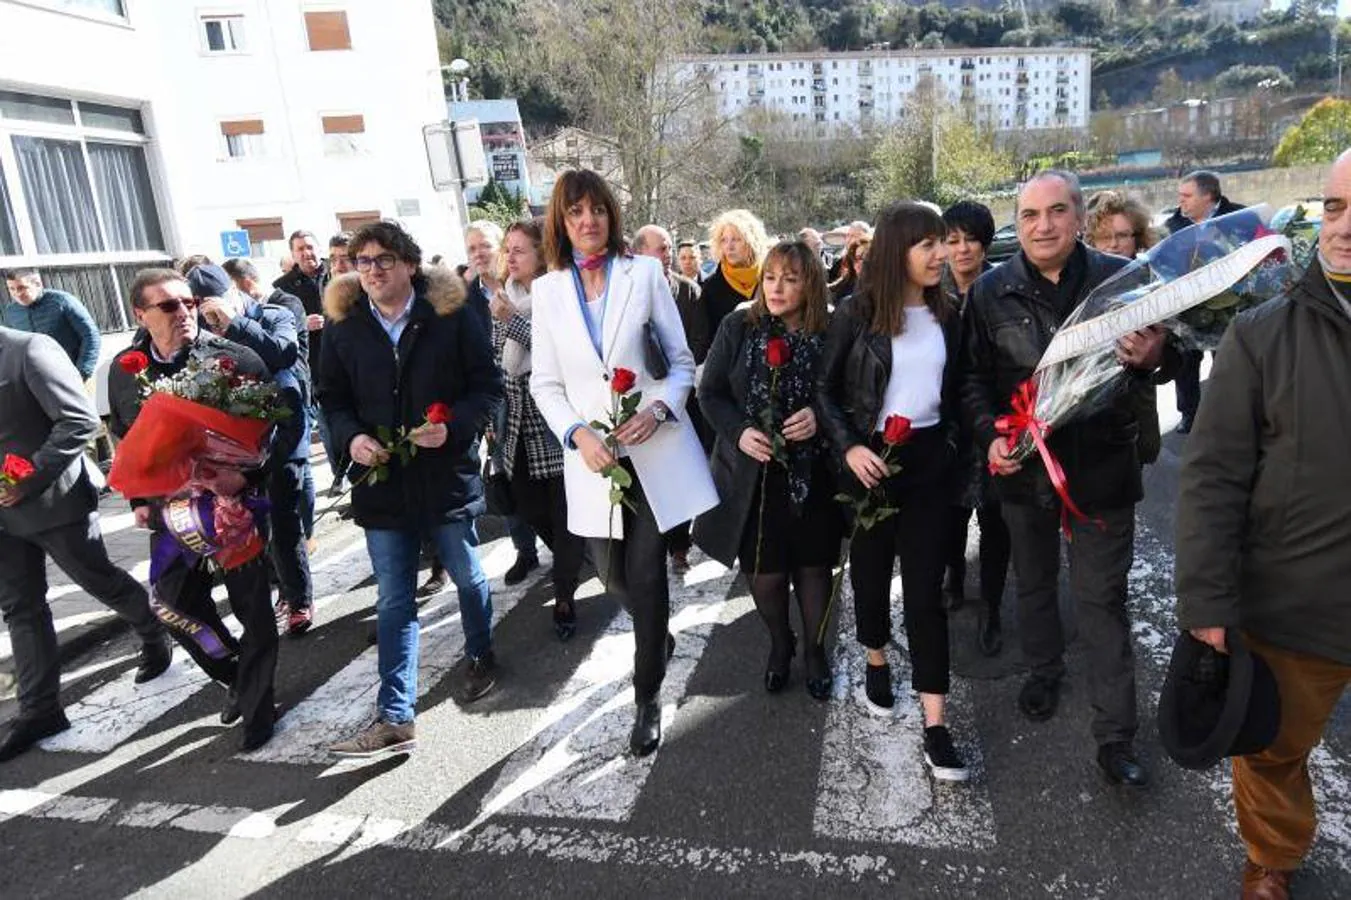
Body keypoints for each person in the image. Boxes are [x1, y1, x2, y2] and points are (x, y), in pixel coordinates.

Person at [1176, 148, 1351, 900]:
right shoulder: (1261, 334)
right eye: (1334, 207)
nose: (1341, 227)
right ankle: (1271, 857)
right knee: (1275, 750)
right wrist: (1207, 605)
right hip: (1294, 607)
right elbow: (1211, 479)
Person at [962, 170, 1173, 788]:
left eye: (1056, 212)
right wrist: (990, 435)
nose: (1043, 226)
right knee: (1033, 582)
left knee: (1102, 599)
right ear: (1018, 224)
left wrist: (1156, 359)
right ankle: (1044, 668)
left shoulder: (1122, 278)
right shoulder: (991, 293)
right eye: (1029, 216)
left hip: (1102, 466)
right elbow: (971, 380)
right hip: (1026, 470)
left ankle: (1116, 737)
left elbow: (1176, 353)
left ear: (1079, 217)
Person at [530, 170, 717, 757]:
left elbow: (683, 363)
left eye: (598, 210)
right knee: (610, 576)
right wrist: (577, 434)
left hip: (652, 453)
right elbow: (546, 384)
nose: (588, 222)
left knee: (646, 574)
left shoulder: (643, 275)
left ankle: (646, 696)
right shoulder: (547, 290)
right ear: (561, 222)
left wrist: (659, 410)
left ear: (611, 216)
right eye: (576, 212)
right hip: (594, 463)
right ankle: (653, 634)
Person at [321, 221, 502, 758]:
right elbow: (330, 397)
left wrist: (456, 427)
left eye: (384, 260)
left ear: (408, 264)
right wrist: (350, 438)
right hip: (383, 485)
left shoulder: (450, 315)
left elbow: (486, 385)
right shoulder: (346, 327)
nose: (373, 270)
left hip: (445, 475)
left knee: (468, 577)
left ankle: (480, 652)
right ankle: (396, 716)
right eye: (364, 262)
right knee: (394, 598)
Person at [817, 202, 969, 782]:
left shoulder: (948, 312)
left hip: (929, 462)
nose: (941, 255)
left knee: (927, 590)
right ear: (895, 250)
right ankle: (876, 656)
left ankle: (936, 723)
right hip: (870, 459)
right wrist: (851, 447)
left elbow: (956, 394)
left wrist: (950, 446)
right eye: (927, 244)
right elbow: (825, 391)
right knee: (872, 570)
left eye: (944, 243)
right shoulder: (855, 313)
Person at [107, 269, 281, 752]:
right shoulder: (126, 370)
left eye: (189, 301)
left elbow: (275, 428)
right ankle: (234, 674)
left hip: (233, 504)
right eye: (168, 306)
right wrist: (139, 499)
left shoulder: (233, 357)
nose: (184, 312)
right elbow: (125, 440)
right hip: (173, 511)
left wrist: (245, 476)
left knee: (253, 609)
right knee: (174, 607)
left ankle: (258, 706)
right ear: (140, 314)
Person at [0, 326, 172, 761]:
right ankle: (40, 710)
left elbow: (77, 420)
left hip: (52, 501)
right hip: (3, 519)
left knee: (98, 580)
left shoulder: (28, 350)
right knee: (21, 607)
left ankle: (153, 629)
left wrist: (28, 478)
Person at [694, 241, 839, 700]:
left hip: (814, 470)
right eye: (771, 276)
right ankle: (781, 643)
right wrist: (738, 431)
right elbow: (710, 391)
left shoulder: (831, 328)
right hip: (753, 474)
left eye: (791, 278)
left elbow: (852, 389)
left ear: (810, 283)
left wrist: (819, 415)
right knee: (765, 572)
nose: (777, 287)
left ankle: (815, 649)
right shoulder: (739, 324)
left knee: (814, 567)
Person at [189, 264, 313, 636]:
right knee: (250, 529)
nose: (207, 315)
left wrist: (234, 325)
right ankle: (275, 593)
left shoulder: (273, 314)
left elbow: (283, 354)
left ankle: (299, 600)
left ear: (232, 294)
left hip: (284, 437)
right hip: (235, 449)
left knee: (285, 524)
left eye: (211, 305)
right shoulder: (201, 333)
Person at [489, 220, 586, 640]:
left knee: (564, 511)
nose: (509, 257)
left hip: (552, 411)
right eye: (506, 249)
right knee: (529, 507)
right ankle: (572, 559)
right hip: (514, 417)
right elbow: (497, 357)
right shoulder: (503, 298)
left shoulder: (557, 294)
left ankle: (564, 592)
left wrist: (510, 321)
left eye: (519, 250)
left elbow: (556, 349)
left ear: (541, 255)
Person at [939, 200, 1011, 657]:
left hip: (996, 421)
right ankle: (953, 576)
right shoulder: (929, 293)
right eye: (952, 240)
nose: (962, 249)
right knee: (948, 517)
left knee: (995, 519)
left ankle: (993, 607)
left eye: (971, 240)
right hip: (945, 426)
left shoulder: (1002, 290)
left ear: (985, 245)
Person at [466, 219, 540, 587]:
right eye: (471, 248)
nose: (478, 254)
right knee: (504, 476)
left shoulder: (526, 289)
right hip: (493, 397)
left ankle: (573, 548)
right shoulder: (462, 296)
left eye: (485, 246)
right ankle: (525, 550)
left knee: (548, 480)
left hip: (535, 395)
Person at [634, 224, 709, 572]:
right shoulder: (629, 289)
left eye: (668, 248)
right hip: (639, 397)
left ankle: (680, 545)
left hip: (681, 395)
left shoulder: (688, 290)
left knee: (678, 470)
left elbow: (697, 342)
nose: (667, 255)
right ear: (639, 253)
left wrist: (675, 381)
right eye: (660, 249)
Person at [1085, 191, 1166, 468]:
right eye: (1104, 237)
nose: (1113, 245)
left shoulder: (1155, 283)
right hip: (1084, 423)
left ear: (1139, 238)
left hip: (1133, 417)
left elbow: (1177, 358)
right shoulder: (1077, 284)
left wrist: (1155, 358)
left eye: (1122, 235)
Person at [1165, 171, 1245, 435]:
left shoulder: (1241, 217)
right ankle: (1189, 414)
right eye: (1179, 197)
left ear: (1208, 195)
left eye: (1187, 196)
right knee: (1185, 364)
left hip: (1231, 308)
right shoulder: (1173, 225)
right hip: (1188, 309)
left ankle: (1230, 415)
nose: (1181, 203)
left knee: (1228, 364)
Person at [275, 231, 338, 493]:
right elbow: (279, 323)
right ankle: (339, 474)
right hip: (311, 364)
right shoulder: (283, 286)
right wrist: (303, 323)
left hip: (343, 356)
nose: (306, 253)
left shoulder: (336, 272)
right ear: (293, 253)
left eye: (310, 247)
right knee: (325, 426)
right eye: (299, 249)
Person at [2, 269, 101, 382]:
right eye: (12, 289)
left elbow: (91, 335)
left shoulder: (62, 301)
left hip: (73, 374)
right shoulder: (11, 312)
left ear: (38, 284)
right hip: (39, 380)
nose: (17, 294)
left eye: (22, 288)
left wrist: (82, 372)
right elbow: (11, 346)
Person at [702, 209, 773, 341]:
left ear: (752, 241)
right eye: (724, 240)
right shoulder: (711, 288)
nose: (729, 246)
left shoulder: (770, 279)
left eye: (736, 239)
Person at [828, 237, 869, 305]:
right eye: (854, 259)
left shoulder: (880, 288)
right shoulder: (847, 281)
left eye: (862, 258)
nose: (857, 263)